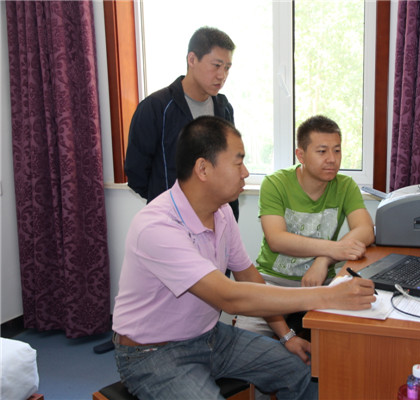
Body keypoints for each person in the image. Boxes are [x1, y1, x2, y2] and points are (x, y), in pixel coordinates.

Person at [111, 116, 376, 400]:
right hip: (153, 353)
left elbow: (249, 277)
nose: (246, 172)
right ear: (203, 168)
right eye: (238, 163)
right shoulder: (157, 226)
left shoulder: (222, 212)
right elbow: (229, 297)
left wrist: (287, 336)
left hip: (210, 337)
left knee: (301, 370)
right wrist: (328, 296)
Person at [235, 115, 375, 336]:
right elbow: (277, 239)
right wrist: (334, 249)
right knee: (245, 344)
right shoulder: (275, 183)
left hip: (323, 283)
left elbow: (365, 230)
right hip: (272, 284)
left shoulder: (345, 186)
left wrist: (323, 260)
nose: (332, 159)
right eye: (322, 151)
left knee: (346, 341)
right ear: (300, 155)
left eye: (337, 150)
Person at [124, 26, 239, 220]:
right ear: (192, 60)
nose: (222, 75)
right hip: (170, 220)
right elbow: (136, 173)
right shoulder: (156, 107)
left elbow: (227, 164)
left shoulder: (224, 108)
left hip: (216, 219)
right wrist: (167, 201)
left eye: (227, 68)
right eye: (216, 65)